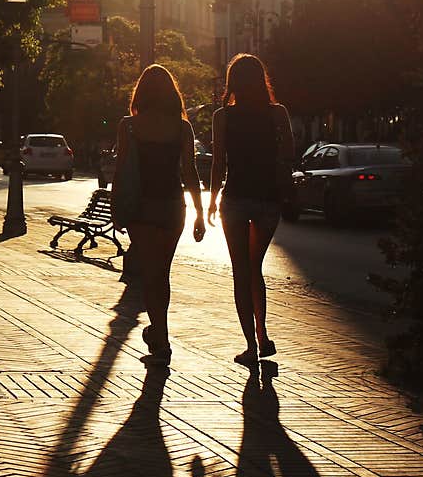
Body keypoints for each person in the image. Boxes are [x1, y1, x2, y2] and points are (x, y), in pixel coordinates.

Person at [113, 64, 206, 367]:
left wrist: (117, 208)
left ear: (141, 93)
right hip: (171, 207)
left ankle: (161, 336)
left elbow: (121, 171)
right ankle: (159, 332)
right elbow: (190, 172)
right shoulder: (182, 128)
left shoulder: (128, 126)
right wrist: (199, 214)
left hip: (141, 207)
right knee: (162, 275)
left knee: (150, 276)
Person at [208, 54, 294, 366]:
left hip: (235, 199)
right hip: (268, 199)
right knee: (254, 267)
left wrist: (211, 201)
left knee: (240, 272)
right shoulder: (277, 113)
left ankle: (250, 345)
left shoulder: (223, 117)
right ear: (261, 79)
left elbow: (218, 163)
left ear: (232, 82)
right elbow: (290, 152)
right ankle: (262, 334)